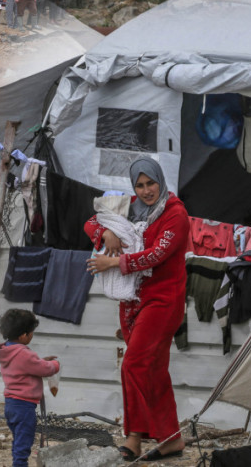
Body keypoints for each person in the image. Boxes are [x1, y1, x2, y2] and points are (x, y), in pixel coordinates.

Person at [85, 158, 189, 462]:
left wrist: (113, 262)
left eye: (151, 183)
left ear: (161, 180)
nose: (146, 191)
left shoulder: (176, 214)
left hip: (163, 301)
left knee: (133, 363)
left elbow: (157, 255)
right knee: (154, 371)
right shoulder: (129, 206)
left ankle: (134, 436)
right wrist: (106, 234)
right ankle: (171, 440)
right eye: (140, 185)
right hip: (133, 301)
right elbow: (90, 221)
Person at [0, 309, 60, 467]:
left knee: (18, 441)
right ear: (23, 336)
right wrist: (55, 365)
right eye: (31, 333)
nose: (32, 335)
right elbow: (44, 369)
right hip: (24, 407)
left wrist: (41, 361)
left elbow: (28, 366)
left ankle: (17, 462)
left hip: (11, 404)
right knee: (24, 444)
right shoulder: (24, 354)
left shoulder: (7, 350)